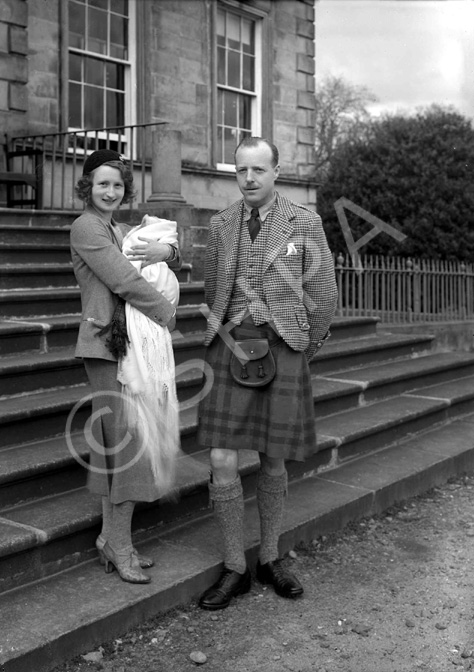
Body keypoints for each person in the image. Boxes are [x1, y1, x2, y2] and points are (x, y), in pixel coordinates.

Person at [197, 137, 338, 610]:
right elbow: (213, 283)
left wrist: (306, 345)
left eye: (259, 169)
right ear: (234, 174)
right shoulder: (220, 225)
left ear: (276, 171)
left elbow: (321, 292)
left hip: (285, 347)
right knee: (221, 456)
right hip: (232, 346)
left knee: (273, 458)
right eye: (242, 171)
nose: (250, 178)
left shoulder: (305, 221)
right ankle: (235, 566)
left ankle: (271, 559)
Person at [70, 149, 182, 584]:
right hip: (106, 346)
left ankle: (108, 537)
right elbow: (124, 279)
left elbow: (163, 250)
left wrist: (169, 250)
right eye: (102, 183)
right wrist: (166, 312)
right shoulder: (87, 227)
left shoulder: (116, 227)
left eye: (117, 184)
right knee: (129, 447)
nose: (111, 191)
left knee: (115, 446)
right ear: (87, 187)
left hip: (124, 346)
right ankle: (121, 545)